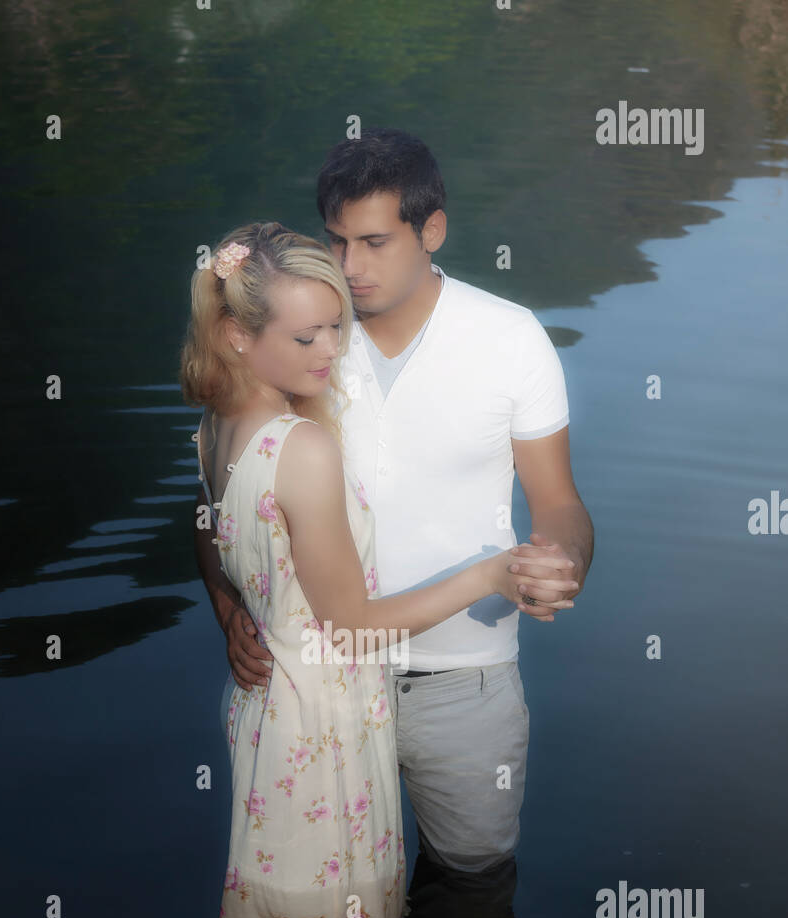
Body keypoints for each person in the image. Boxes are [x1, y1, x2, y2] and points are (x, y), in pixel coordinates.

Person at [182, 222, 574, 918]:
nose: (333, 351)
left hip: (271, 715)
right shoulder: (303, 443)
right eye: (309, 339)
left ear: (431, 230)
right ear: (236, 336)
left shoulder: (218, 424)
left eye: (336, 329)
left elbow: (208, 523)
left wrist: (233, 609)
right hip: (324, 721)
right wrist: (493, 574)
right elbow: (353, 624)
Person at [210, 129, 593, 877]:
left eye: (376, 241)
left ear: (433, 230)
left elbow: (559, 502)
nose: (350, 267)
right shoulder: (300, 340)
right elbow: (220, 503)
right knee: (326, 910)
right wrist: (229, 613)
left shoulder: (511, 340)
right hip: (316, 689)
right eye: (337, 240)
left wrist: (563, 560)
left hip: (465, 686)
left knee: (473, 892)